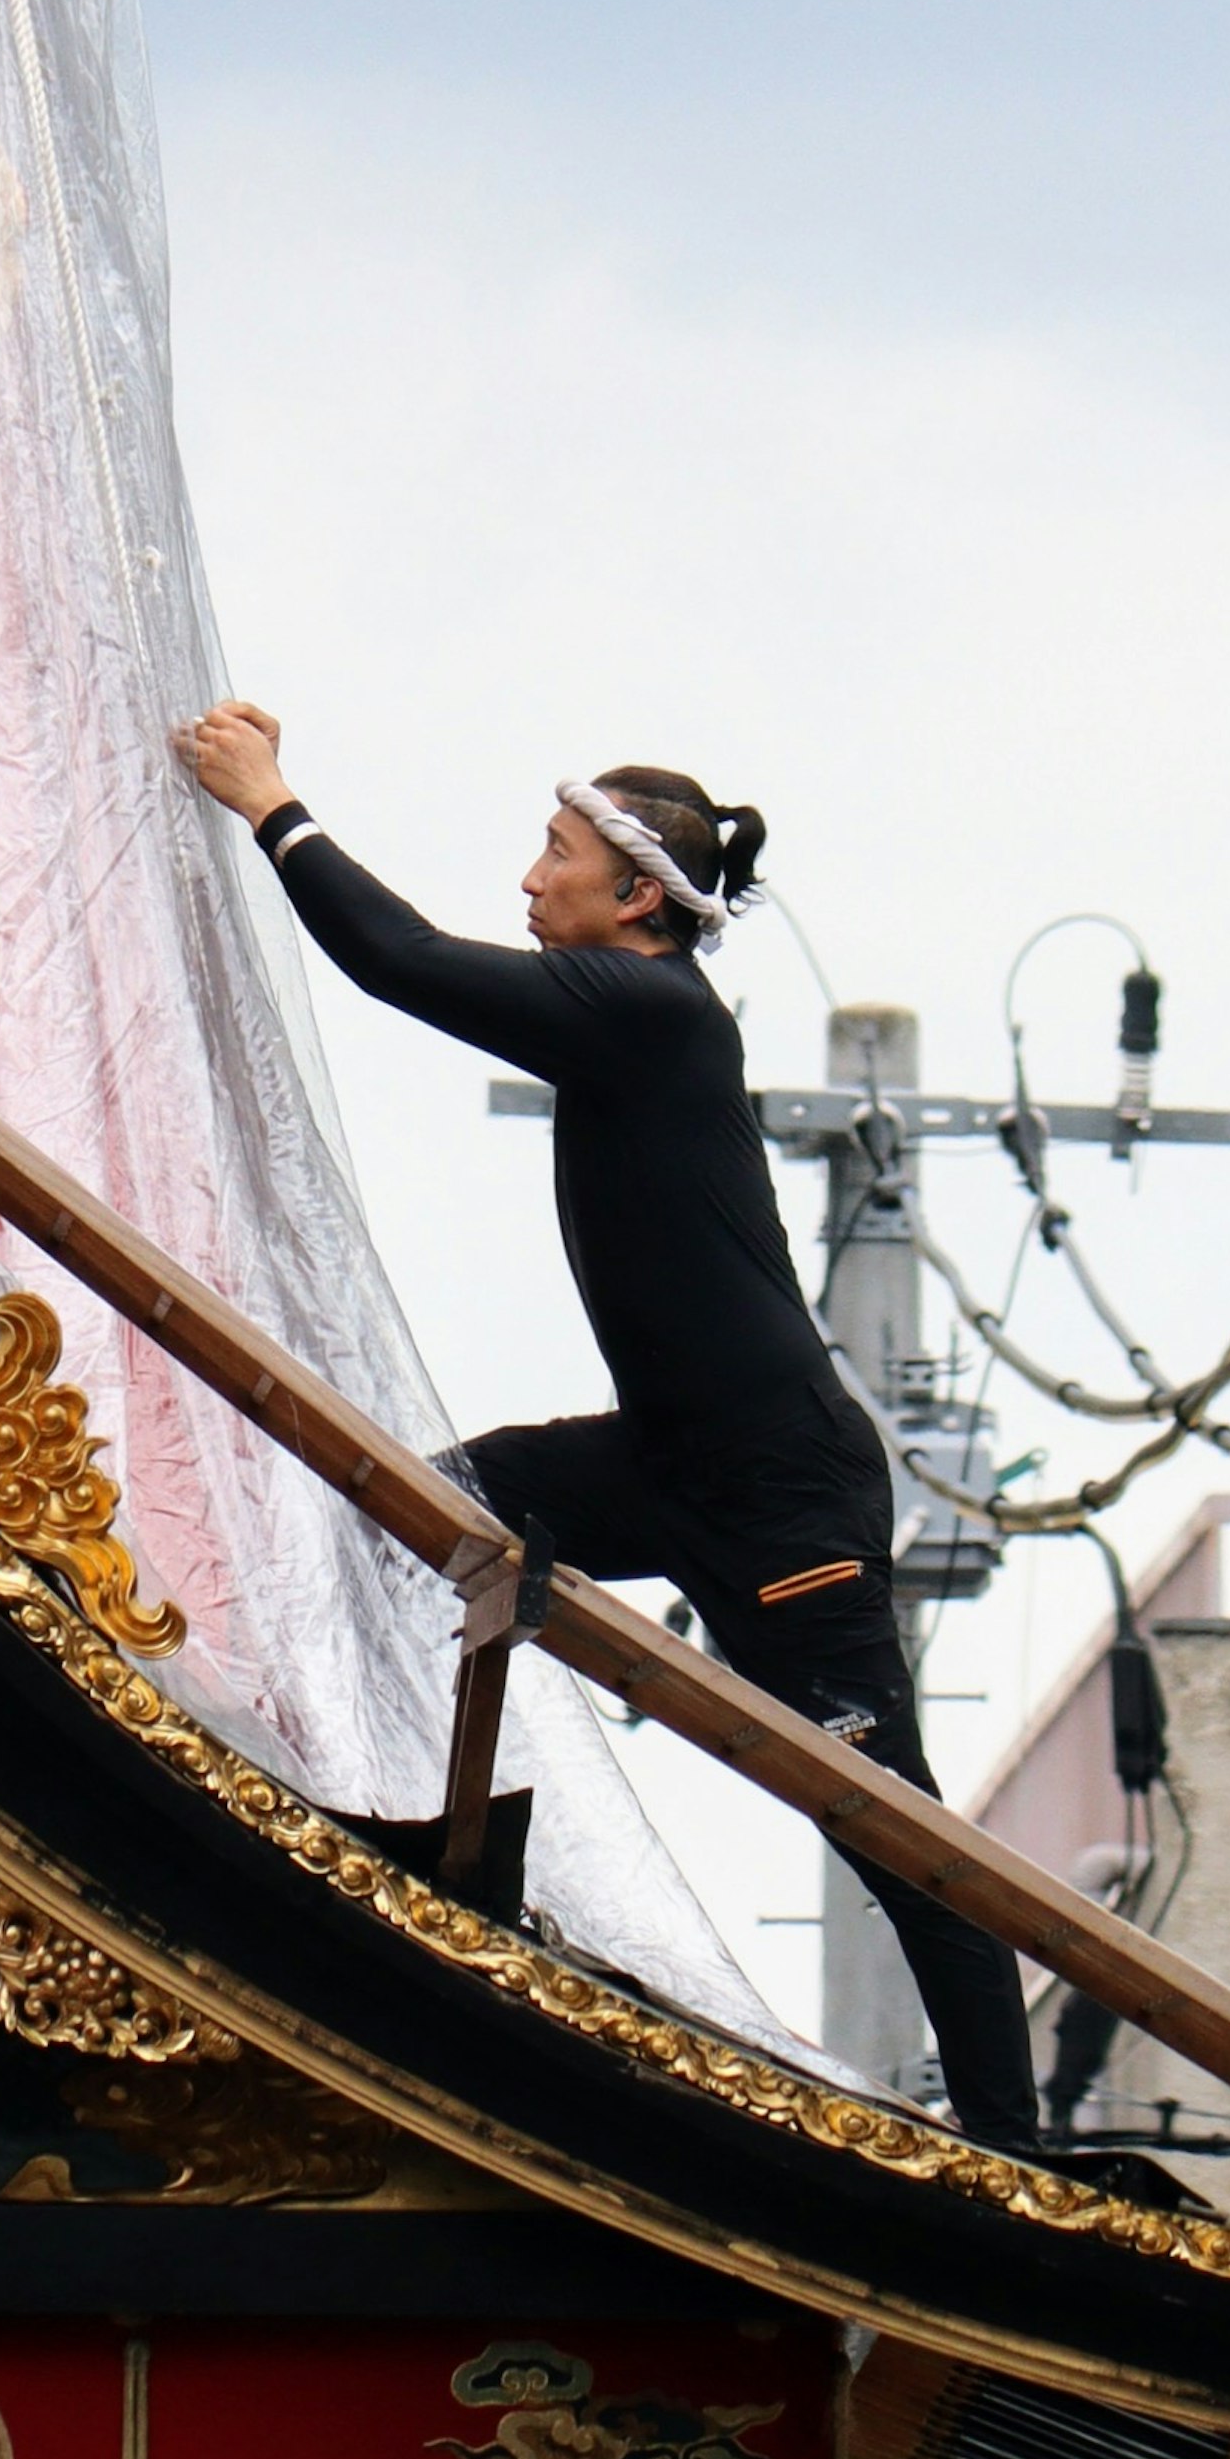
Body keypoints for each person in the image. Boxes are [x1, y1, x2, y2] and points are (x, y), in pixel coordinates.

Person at [171, 721, 1046, 2155]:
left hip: (778, 1495)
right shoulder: (625, 1006)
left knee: (891, 1827)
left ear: (637, 898)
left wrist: (273, 806)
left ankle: (1015, 2150)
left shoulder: (651, 1010)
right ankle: (394, 1808)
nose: (529, 879)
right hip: (667, 1456)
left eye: (557, 857)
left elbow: (400, 959)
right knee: (431, 1505)